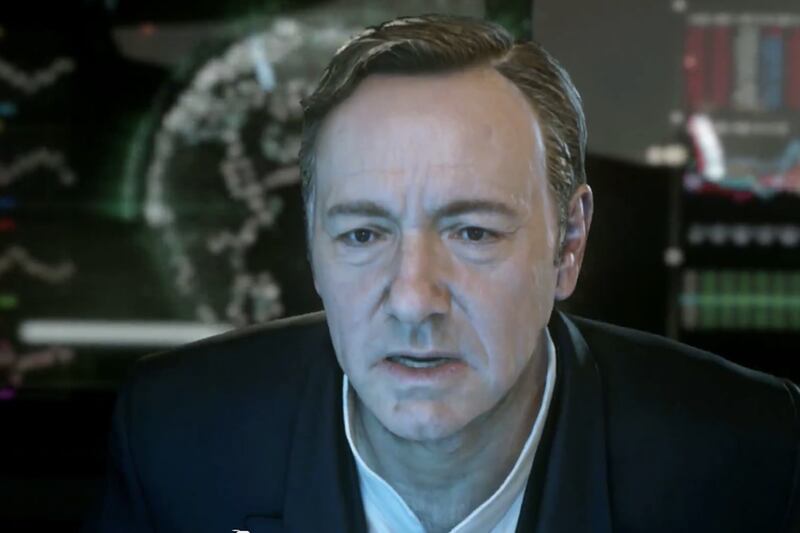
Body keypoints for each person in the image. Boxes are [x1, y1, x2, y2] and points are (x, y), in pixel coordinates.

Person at [84, 14, 800, 533]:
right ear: (312, 245)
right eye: (363, 234)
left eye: (472, 232)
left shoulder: (748, 460)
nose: (412, 300)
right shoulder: (174, 437)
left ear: (569, 244)